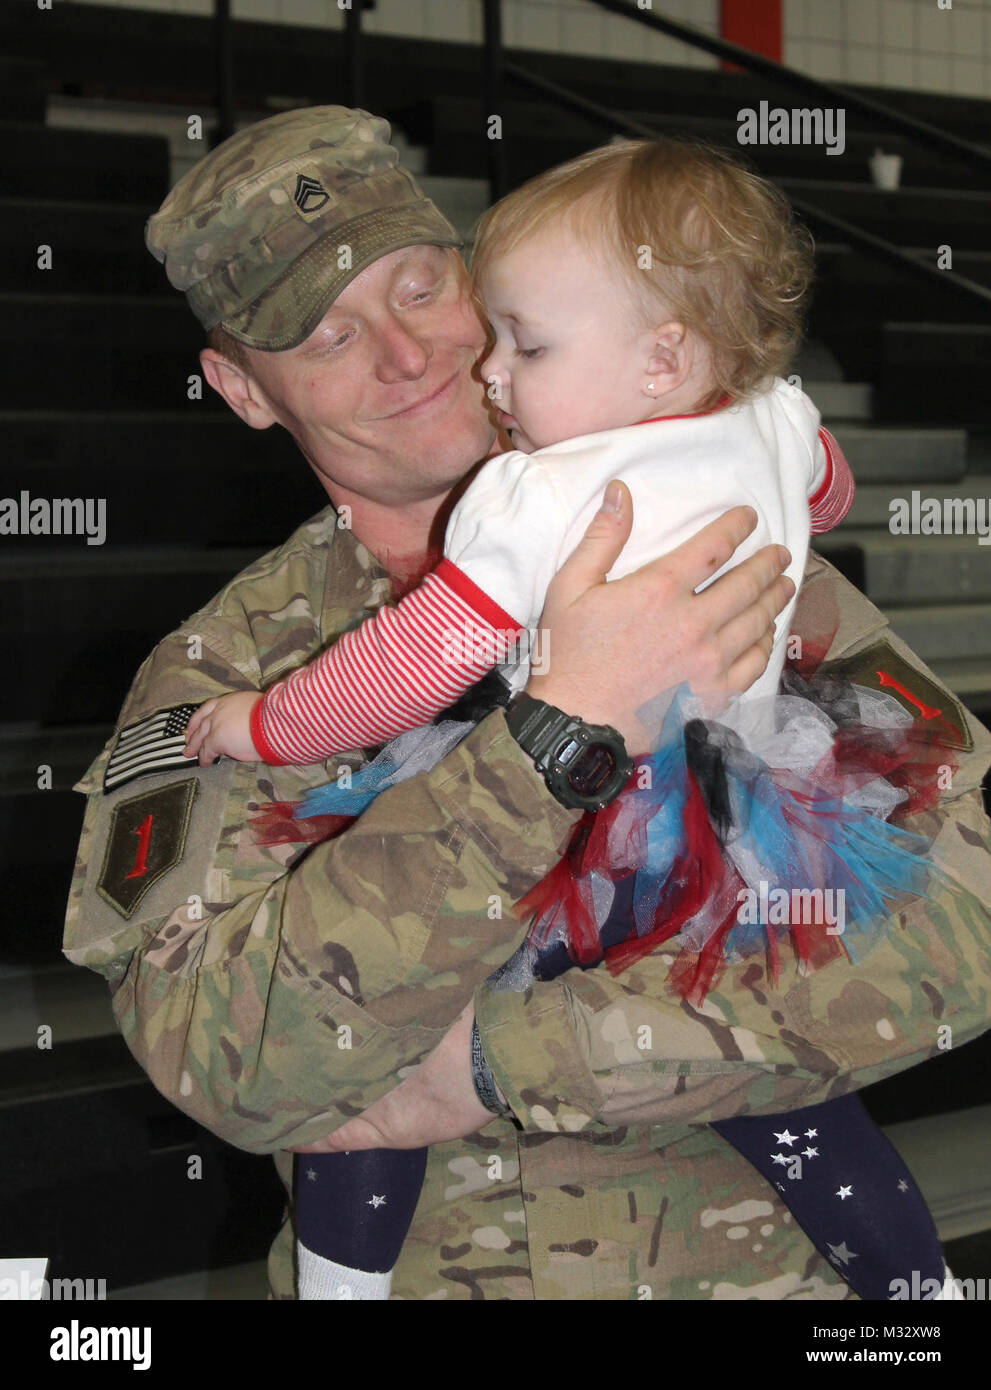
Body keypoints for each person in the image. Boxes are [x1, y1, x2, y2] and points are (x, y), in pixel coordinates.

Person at [62, 106, 991, 1301]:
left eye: (419, 286)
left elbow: (968, 903)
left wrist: (505, 1062)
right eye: (328, 335)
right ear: (243, 391)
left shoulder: (716, 560)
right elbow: (226, 1056)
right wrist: (548, 737)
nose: (407, 355)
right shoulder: (230, 672)